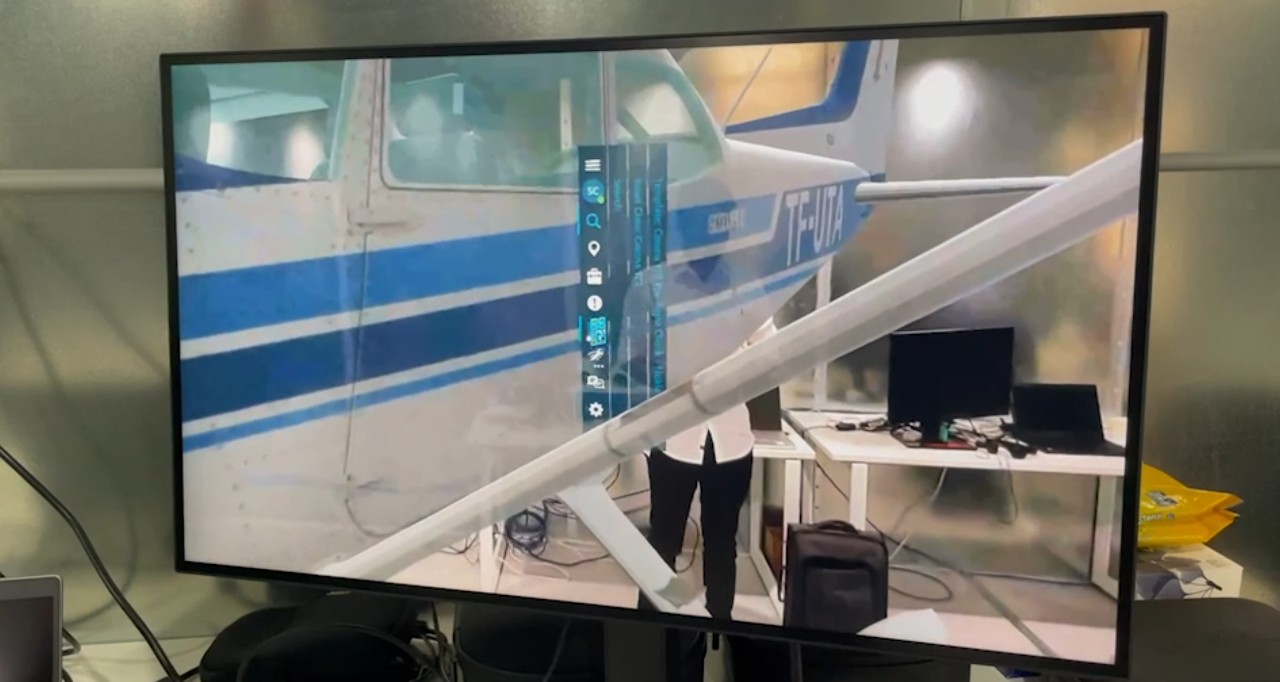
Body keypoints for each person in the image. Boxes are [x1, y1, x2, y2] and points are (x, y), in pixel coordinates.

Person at [640, 318, 779, 620]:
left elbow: (772, 354)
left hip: (731, 443)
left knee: (722, 542)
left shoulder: (748, 300)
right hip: (673, 439)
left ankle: (719, 625)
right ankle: (652, 628)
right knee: (663, 539)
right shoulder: (662, 298)